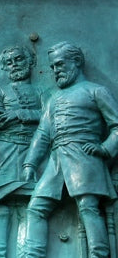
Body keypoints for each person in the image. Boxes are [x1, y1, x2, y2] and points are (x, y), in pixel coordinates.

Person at [21, 42, 118, 258]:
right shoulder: (54, 99)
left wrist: (105, 148)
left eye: (59, 64)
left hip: (85, 157)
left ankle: (99, 254)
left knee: (88, 208)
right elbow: (43, 134)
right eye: (53, 67)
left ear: (76, 61)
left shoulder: (96, 91)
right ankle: (32, 255)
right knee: (36, 207)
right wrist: (30, 163)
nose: (56, 70)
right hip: (57, 160)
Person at [0, 46, 42, 258]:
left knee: (32, 203)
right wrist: (31, 115)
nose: (14, 65)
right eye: (9, 63)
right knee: (2, 204)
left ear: (30, 62)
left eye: (19, 60)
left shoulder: (41, 92)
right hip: (7, 152)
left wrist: (17, 113)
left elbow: (47, 116)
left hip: (35, 150)